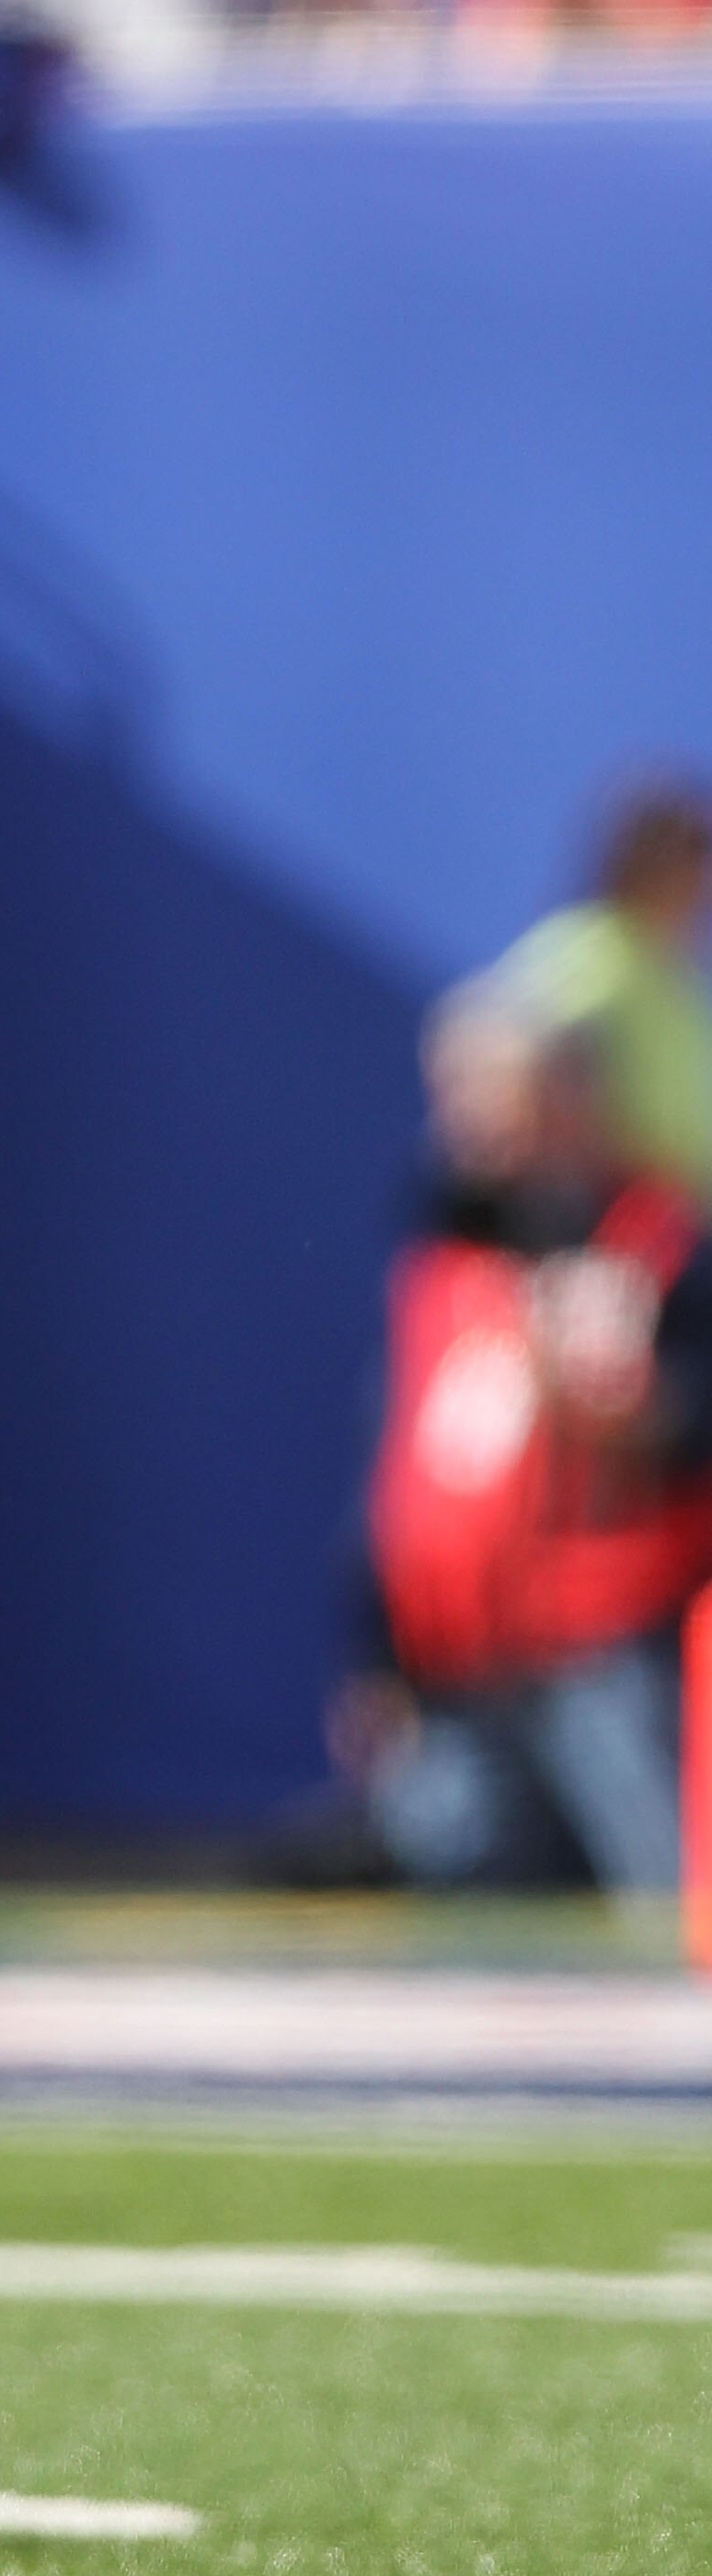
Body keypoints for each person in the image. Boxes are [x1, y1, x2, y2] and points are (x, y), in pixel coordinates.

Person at [354, 976, 712, 1892]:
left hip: (615, 1655)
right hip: (462, 1669)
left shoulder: (664, 1240)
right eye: (453, 1094)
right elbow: (408, 1473)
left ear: (570, 1097)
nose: (467, 1122)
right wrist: (371, 1654)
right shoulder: (448, 1250)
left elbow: (690, 1421)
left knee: (670, 1894)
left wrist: (628, 1411)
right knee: (463, 1911)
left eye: (494, 1093)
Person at [493, 785, 712, 1214]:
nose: (697, 885)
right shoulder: (586, 947)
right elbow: (505, 1062)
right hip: (594, 1217)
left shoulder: (681, 979)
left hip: (674, 1230)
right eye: (685, 859)